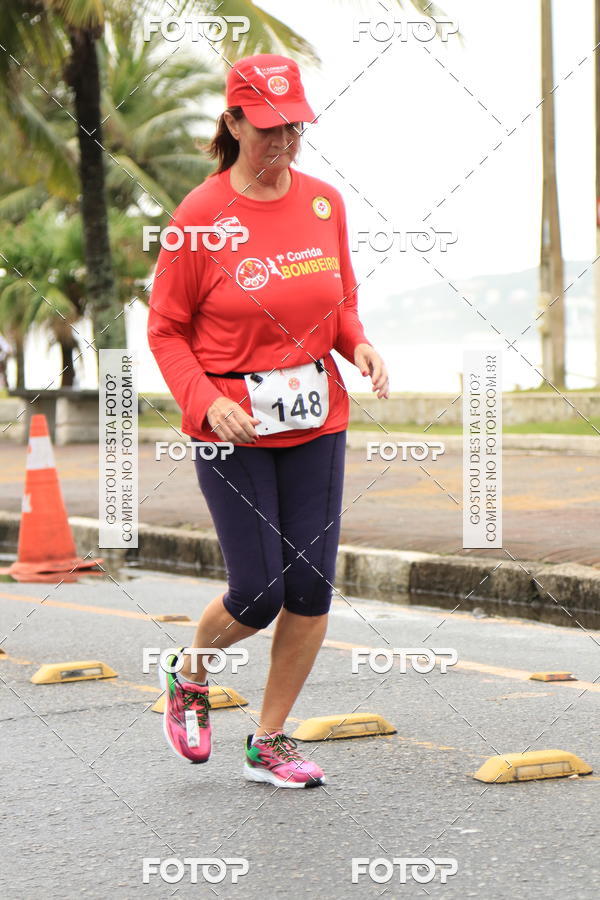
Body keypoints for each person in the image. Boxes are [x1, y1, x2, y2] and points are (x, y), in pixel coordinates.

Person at [147, 53, 389, 788]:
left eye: (295, 128)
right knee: (259, 592)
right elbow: (165, 331)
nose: (283, 143)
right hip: (233, 429)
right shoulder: (199, 217)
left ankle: (269, 740)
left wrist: (360, 345)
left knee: (312, 586)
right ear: (232, 122)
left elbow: (337, 303)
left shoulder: (324, 204)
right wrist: (207, 402)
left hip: (317, 420)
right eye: (269, 130)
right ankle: (189, 675)